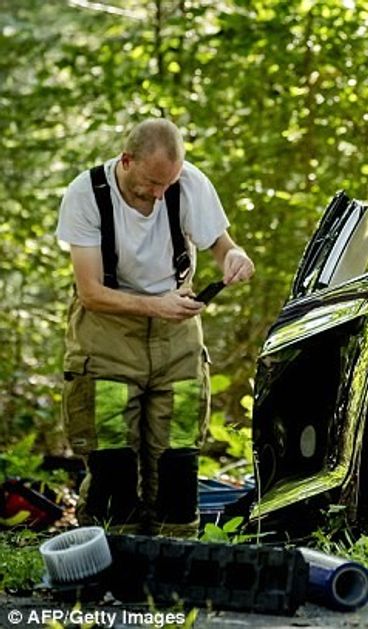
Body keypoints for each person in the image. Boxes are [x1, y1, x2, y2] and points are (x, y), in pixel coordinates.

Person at [56, 118, 254, 536]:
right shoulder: (86, 194)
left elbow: (221, 244)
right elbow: (90, 292)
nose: (159, 194)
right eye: (151, 183)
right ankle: (110, 568)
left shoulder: (189, 183)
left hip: (177, 342)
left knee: (178, 462)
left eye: (168, 184)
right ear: (126, 160)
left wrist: (233, 256)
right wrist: (155, 306)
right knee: (113, 465)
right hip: (107, 337)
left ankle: (175, 565)